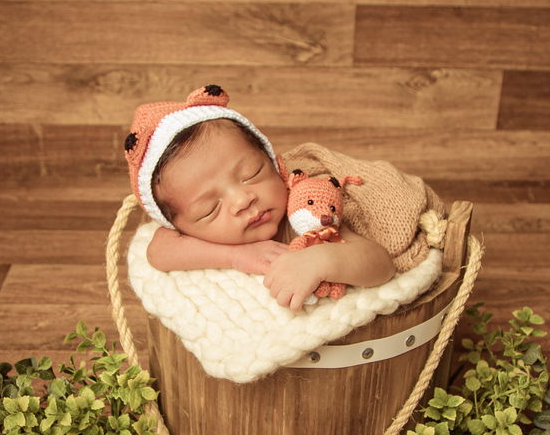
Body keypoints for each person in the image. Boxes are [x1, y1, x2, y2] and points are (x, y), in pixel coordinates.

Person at [123, 85, 396, 312]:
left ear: (277, 166)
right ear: (181, 228)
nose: (243, 200)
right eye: (210, 209)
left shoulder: (302, 219)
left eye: (252, 174)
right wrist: (236, 256)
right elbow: (158, 250)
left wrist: (322, 260)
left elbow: (381, 264)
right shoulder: (198, 240)